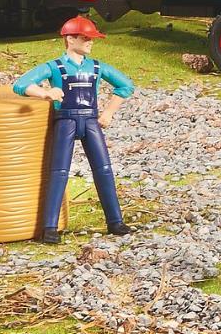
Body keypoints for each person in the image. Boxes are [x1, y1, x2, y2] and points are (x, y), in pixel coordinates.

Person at [13, 15, 135, 244]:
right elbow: (20, 84)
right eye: (85, 37)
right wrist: (44, 93)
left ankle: (115, 221)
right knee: (58, 173)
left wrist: (108, 112)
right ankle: (49, 227)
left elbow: (126, 85)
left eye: (91, 38)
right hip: (65, 120)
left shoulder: (97, 67)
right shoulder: (54, 67)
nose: (90, 42)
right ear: (70, 39)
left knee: (104, 170)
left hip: (90, 121)